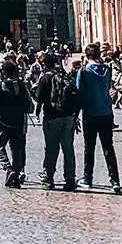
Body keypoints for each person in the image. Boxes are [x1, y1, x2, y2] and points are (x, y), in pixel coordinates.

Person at [75, 45, 122, 193]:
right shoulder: (107, 70)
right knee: (108, 147)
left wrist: (75, 115)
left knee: (89, 147)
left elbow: (78, 93)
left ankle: (87, 178)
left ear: (87, 56)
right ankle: (115, 180)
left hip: (90, 114)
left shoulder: (84, 71)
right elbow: (110, 89)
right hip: (106, 113)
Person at [34, 50, 79, 191]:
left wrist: (33, 90)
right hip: (69, 117)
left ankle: (49, 177)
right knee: (68, 148)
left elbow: (39, 98)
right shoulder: (64, 75)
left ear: (43, 65)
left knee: (51, 148)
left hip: (52, 117)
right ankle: (70, 179)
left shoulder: (45, 78)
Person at [0, 58, 33, 187]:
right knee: (16, 149)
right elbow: (28, 105)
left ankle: (8, 168)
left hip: (3, 123)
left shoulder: (1, 86)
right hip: (18, 122)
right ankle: (16, 172)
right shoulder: (21, 86)